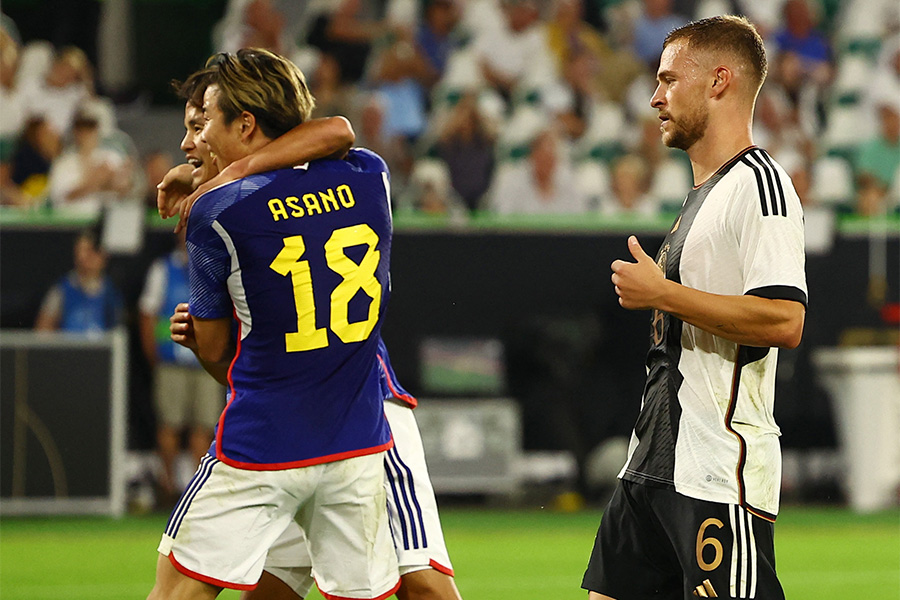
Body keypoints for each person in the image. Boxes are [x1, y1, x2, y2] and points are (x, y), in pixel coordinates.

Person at [158, 61, 463, 600]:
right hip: (351, 434)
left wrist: (222, 181)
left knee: (424, 583)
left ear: (246, 124)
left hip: (311, 423)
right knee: (289, 586)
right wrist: (220, 175)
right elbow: (339, 132)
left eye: (201, 124)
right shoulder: (371, 176)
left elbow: (219, 357)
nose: (193, 141)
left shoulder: (220, 214)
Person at [583, 16, 807, 600]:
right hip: (652, 462)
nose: (655, 96)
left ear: (718, 82)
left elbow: (785, 319)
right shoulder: (701, 193)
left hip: (716, 472)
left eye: (668, 79)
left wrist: (663, 294)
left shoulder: (761, 184)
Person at [138, 228, 225, 505]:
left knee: (203, 427)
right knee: (170, 425)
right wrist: (155, 355)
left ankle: (195, 491)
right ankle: (168, 486)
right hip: (172, 361)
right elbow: (148, 314)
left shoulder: (214, 267)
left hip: (206, 363)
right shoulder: (163, 269)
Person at [35, 226, 123, 334]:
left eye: (91, 251)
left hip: (99, 349)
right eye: (81, 250)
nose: (85, 257)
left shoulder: (111, 292)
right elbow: (43, 330)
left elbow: (117, 330)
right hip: (68, 348)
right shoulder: (61, 290)